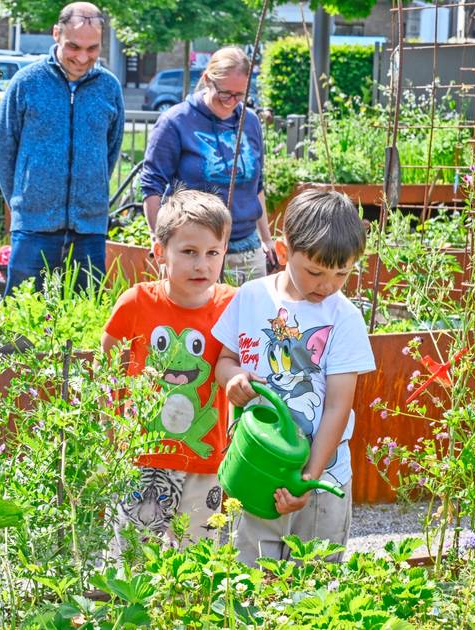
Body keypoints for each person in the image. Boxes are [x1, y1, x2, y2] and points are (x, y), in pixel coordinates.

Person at [212, 188, 375, 566]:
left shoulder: (344, 318)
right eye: (316, 271)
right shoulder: (251, 297)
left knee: (311, 588)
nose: (329, 284)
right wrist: (233, 378)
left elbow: (337, 406)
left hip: (320, 481)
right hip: (257, 468)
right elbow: (224, 360)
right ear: (283, 253)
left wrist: (307, 477)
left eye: (342, 273)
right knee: (246, 580)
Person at [101, 189, 235, 548]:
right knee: (131, 557)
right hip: (145, 455)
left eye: (212, 253)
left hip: (205, 458)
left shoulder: (230, 305)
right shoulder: (136, 302)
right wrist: (112, 422)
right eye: (189, 252)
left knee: (197, 557)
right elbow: (109, 359)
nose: (201, 265)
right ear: (160, 251)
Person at [0, 1, 125, 295]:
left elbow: (111, 149)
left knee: (84, 312)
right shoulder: (26, 82)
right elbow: (3, 147)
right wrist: (21, 199)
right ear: (56, 34)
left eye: (92, 49)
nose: (82, 57)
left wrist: (92, 189)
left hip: (90, 227)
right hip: (33, 224)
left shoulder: (110, 88)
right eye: (74, 46)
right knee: (23, 312)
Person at [140, 46, 274, 286]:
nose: (232, 102)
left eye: (240, 95)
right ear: (206, 80)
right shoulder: (175, 121)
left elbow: (257, 186)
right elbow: (153, 185)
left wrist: (267, 239)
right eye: (225, 94)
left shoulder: (250, 121)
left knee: (249, 322)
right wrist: (157, 237)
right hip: (195, 249)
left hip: (247, 247)